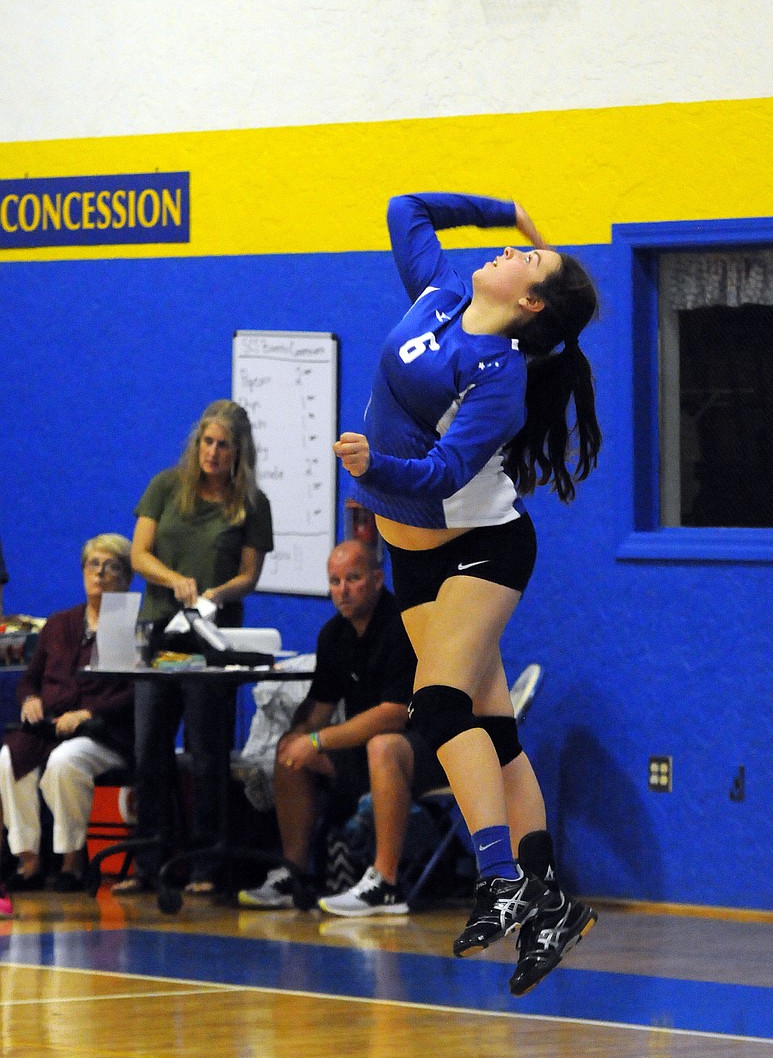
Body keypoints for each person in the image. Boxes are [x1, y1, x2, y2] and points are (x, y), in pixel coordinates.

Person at [333, 192, 602, 996]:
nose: (512, 254)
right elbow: (403, 208)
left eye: (528, 262)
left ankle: (500, 878)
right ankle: (549, 901)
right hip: (412, 556)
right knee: (494, 729)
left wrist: (370, 467)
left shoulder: (498, 377)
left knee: (439, 706)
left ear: (530, 304)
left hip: (481, 547)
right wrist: (505, 212)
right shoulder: (440, 296)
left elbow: (446, 472)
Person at [117, 399, 273, 895]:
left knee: (208, 751)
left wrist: (217, 592)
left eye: (223, 445)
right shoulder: (167, 487)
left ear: (238, 451)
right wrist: (175, 580)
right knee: (150, 749)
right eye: (207, 442)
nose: (213, 452)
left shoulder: (252, 503)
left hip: (212, 637)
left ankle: (206, 864)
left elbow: (249, 575)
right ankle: (149, 862)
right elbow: (139, 554)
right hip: (159, 631)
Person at [238, 538, 444, 915]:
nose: (343, 591)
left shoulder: (404, 626)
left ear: (378, 579)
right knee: (291, 750)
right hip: (366, 749)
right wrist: (302, 735)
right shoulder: (334, 635)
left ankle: (386, 884)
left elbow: (394, 714)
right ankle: (294, 874)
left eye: (353, 579)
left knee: (382, 745)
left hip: (429, 747)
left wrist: (318, 739)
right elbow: (319, 706)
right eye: (334, 581)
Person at [0, 534, 135, 893]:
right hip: (51, 726)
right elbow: (30, 678)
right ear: (82, 571)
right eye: (94, 564)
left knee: (65, 762)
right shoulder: (60, 623)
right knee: (8, 756)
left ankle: (72, 860)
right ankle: (28, 860)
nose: (101, 574)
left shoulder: (124, 625)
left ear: (126, 579)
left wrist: (88, 712)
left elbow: (131, 692)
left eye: (112, 567)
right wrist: (30, 698)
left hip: (103, 734)